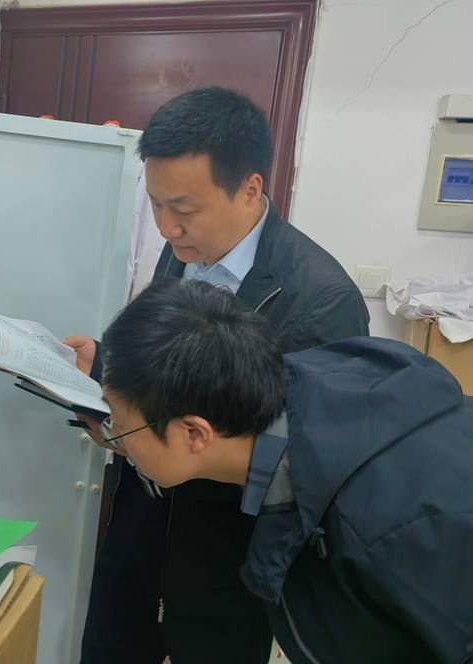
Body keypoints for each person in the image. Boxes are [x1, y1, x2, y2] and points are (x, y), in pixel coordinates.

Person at [67, 87, 370, 663]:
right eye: (155, 205)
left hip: (226, 559)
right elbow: (179, 368)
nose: (166, 228)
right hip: (140, 524)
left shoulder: (320, 299)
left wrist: (150, 441)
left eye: (183, 211)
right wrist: (106, 365)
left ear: (250, 189)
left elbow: (311, 463)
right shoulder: (184, 252)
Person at [98, 278, 473, 664]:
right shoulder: (298, 391)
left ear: (194, 433)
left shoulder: (380, 528)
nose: (114, 436)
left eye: (120, 425)